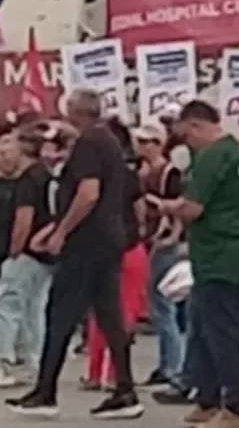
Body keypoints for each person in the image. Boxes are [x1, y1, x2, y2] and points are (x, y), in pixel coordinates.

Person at [7, 89, 143, 419]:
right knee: (109, 316)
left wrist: (61, 232)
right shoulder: (108, 141)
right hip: (109, 238)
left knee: (61, 311)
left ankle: (46, 390)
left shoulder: (88, 146)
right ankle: (125, 389)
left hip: (86, 242)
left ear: (74, 112)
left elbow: (87, 193)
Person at [155, 100, 239, 428]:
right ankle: (208, 397)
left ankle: (237, 406)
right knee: (200, 328)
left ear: (196, 125)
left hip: (220, 254)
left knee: (222, 331)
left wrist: (164, 206)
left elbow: (193, 208)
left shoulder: (211, 157)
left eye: (186, 135)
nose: (186, 143)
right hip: (225, 250)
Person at [0, 126, 58, 388]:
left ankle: (2, 362)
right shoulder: (46, 175)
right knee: (35, 308)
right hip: (46, 255)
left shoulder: (28, 180)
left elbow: (24, 219)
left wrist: (14, 250)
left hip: (27, 252)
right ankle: (35, 363)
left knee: (5, 303)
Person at [82, 118, 150, 393]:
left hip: (99, 248)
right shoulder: (128, 175)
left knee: (99, 313)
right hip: (130, 247)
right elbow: (141, 213)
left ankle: (95, 373)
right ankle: (115, 373)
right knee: (125, 314)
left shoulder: (89, 175)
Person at [135, 122, 187, 388]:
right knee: (158, 304)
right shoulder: (143, 172)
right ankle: (167, 364)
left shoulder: (170, 173)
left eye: (147, 142)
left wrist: (173, 237)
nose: (142, 146)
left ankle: (172, 366)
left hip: (164, 241)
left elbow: (178, 207)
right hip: (149, 237)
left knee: (162, 303)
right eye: (140, 141)